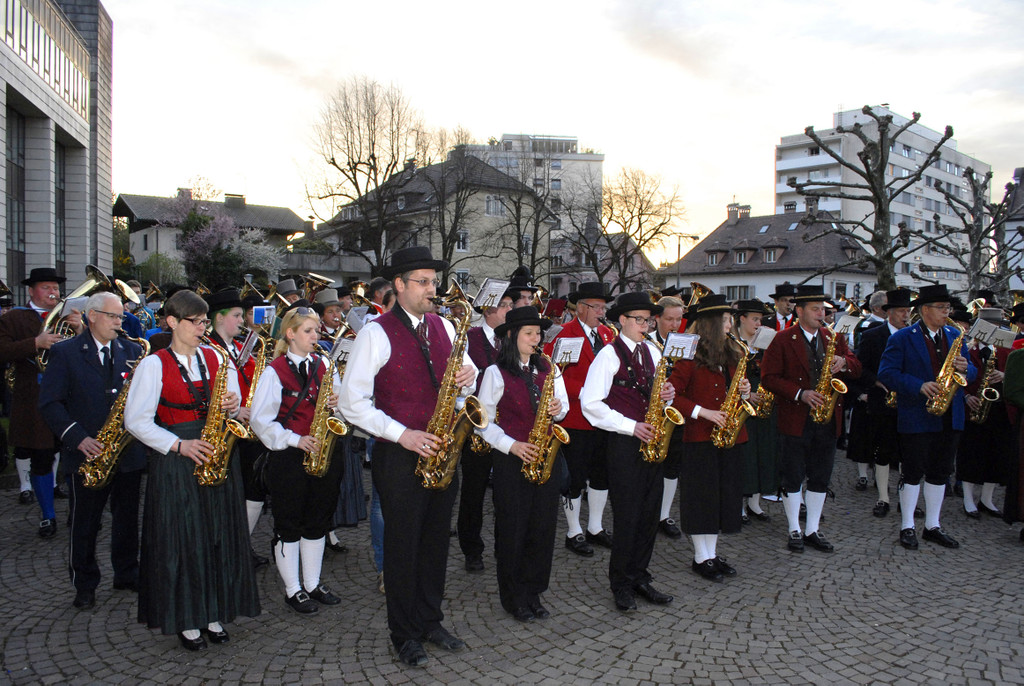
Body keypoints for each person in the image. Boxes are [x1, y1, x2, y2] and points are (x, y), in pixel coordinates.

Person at [339, 246, 476, 668]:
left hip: (442, 449)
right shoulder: (374, 333)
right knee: (402, 547)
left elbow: (465, 385)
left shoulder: (446, 327)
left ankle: (430, 621)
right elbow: (351, 403)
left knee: (435, 543)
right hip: (399, 455)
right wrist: (404, 435)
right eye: (423, 281)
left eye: (434, 281)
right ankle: (404, 633)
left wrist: (469, 378)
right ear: (399, 285)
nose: (432, 289)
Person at [124, 289, 259, 650]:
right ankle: (187, 618)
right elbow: (135, 421)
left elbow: (234, 407)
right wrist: (179, 445)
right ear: (172, 321)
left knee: (217, 536)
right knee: (182, 541)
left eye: (204, 322)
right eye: (195, 322)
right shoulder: (154, 365)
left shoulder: (217, 358)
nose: (203, 328)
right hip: (177, 460)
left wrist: (233, 404)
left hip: (216, 454)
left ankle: (213, 612)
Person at [38, 291, 146, 610]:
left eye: (121, 316)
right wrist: (78, 438)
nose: (119, 322)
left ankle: (126, 572)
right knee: (85, 523)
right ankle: (84, 583)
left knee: (127, 518)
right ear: (92, 316)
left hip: (126, 451)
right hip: (86, 451)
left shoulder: (132, 350)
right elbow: (50, 403)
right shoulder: (65, 352)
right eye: (113, 316)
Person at [581, 292, 676, 612]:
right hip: (623, 442)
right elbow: (591, 404)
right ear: (622, 320)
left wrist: (668, 394)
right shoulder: (608, 355)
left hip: (652, 440)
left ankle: (640, 576)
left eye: (648, 320)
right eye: (639, 320)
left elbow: (659, 394)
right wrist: (630, 426)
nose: (645, 326)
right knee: (627, 516)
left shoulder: (653, 351)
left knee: (649, 515)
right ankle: (620, 583)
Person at [249, 307, 345, 614]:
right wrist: (295, 439)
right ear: (290, 334)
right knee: (289, 523)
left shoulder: (326, 364)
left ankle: (313, 583)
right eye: (308, 331)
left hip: (323, 451)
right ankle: (293, 589)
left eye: (316, 330)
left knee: (317, 520)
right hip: (289, 456)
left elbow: (342, 408)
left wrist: (337, 404)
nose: (315, 336)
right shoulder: (273, 371)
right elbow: (260, 421)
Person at [475, 306, 568, 621]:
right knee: (513, 529)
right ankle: (513, 596)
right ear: (512, 336)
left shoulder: (549, 368)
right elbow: (482, 423)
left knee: (542, 528)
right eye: (529, 333)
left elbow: (564, 410)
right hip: (511, 460)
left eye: (538, 333)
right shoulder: (495, 373)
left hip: (545, 457)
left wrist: (557, 408)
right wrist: (511, 445)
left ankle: (534, 592)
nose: (536, 339)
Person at [761, 284, 861, 553]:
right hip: (795, 417)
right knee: (793, 475)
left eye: (823, 310)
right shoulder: (782, 339)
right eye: (815, 309)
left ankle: (812, 529)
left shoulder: (834, 338)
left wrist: (844, 362)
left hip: (827, 419)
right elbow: (769, 378)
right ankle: (794, 528)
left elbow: (856, 367)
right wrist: (800, 393)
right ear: (800, 311)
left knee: (820, 476)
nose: (821, 314)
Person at [878, 284, 975, 550]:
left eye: (948, 308)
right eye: (941, 308)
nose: (946, 312)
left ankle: (933, 525)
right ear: (924, 310)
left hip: (950, 415)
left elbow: (972, 372)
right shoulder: (903, 337)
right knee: (912, 472)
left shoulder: (955, 335)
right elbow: (887, 373)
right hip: (916, 414)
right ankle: (907, 525)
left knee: (940, 472)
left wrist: (966, 368)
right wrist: (919, 385)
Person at [669, 294, 748, 581]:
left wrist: (745, 391)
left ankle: (711, 554)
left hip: (729, 436)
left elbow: (732, 390)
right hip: (700, 437)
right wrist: (703, 413)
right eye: (726, 321)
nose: (730, 326)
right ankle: (701, 557)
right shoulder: (688, 354)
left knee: (721, 498)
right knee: (702, 499)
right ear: (712, 324)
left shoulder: (733, 353)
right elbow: (671, 396)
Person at [0, 267, 81, 530]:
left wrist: (81, 329)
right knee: (42, 456)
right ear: (32, 291)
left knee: (76, 454)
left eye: (55, 288)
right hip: (34, 399)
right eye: (46, 287)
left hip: (70, 397)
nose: (53, 292)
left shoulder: (68, 316)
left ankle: (78, 512)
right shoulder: (14, 318)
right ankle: (48, 515)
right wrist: (36, 343)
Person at [543, 281, 616, 557]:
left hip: (603, 419)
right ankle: (573, 531)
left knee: (601, 475)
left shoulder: (608, 334)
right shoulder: (562, 333)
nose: (601, 312)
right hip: (574, 418)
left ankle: (595, 527)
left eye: (603, 308)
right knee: (574, 477)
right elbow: (551, 373)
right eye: (597, 307)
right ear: (581, 308)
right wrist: (587, 392)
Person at [206, 288, 268, 568]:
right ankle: (228, 548)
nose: (243, 321)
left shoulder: (238, 346)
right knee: (234, 492)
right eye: (237, 316)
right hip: (226, 429)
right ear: (219, 318)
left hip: (247, 427)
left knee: (254, 489)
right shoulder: (210, 349)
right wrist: (235, 409)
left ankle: (241, 544)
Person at [458, 288, 514, 573]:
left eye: (511, 304)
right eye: (504, 305)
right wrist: (470, 414)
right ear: (488, 309)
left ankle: (506, 547)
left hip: (507, 427)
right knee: (473, 491)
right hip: (475, 427)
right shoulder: (469, 338)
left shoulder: (512, 338)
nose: (509, 310)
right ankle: (472, 549)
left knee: (506, 492)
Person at [855, 288, 912, 517]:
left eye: (908, 311)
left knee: (909, 453)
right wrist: (876, 381)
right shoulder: (872, 335)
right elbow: (860, 368)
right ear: (889, 312)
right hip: (882, 402)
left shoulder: (914, 336)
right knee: (882, 450)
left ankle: (907, 498)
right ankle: (883, 498)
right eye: (901, 311)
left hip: (909, 401)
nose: (905, 316)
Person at [956, 308, 1010, 519]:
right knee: (971, 454)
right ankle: (968, 499)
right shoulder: (967, 349)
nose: (992, 330)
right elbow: (956, 379)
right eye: (988, 326)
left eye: (996, 326)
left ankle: (987, 499)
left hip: (999, 409)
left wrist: (1004, 375)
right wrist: (967, 397)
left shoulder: (1005, 351)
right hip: (974, 407)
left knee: (996, 455)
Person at [733, 298, 778, 523]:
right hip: (742, 403)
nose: (758, 324)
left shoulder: (765, 341)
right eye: (754, 319)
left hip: (763, 402)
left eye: (760, 320)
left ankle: (755, 503)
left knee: (764, 451)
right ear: (742, 318)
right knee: (745, 455)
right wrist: (746, 394)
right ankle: (739, 504)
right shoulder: (733, 343)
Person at [648, 295, 685, 538]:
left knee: (672, 467)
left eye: (679, 319)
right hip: (651, 413)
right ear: (657, 318)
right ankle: (649, 511)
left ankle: (664, 514)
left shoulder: (685, 342)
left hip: (676, 412)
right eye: (670, 319)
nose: (675, 325)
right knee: (651, 466)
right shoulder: (647, 342)